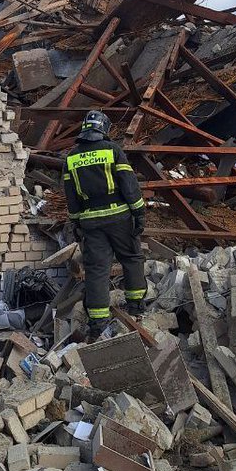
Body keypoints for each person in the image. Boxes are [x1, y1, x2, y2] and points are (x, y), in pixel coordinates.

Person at [62, 109, 147, 341]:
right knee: (131, 258)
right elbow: (129, 185)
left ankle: (98, 320)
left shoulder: (71, 158)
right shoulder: (112, 151)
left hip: (91, 222)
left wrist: (76, 222)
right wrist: (139, 213)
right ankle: (136, 306)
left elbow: (71, 197)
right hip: (119, 218)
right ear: (104, 128)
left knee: (98, 269)